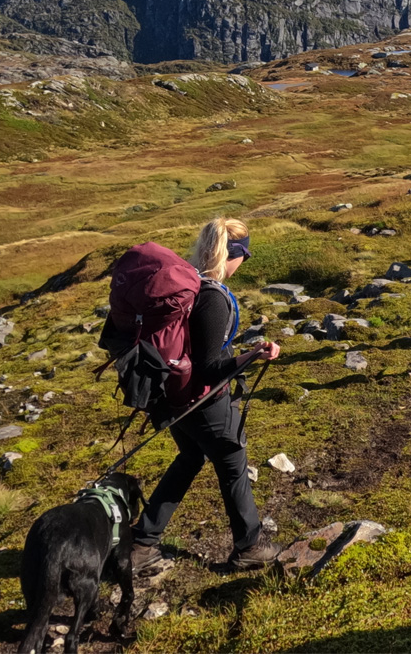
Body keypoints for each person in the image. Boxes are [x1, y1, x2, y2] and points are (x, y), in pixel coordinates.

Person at [128, 218, 282, 572]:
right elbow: (210, 368)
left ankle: (141, 542)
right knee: (232, 462)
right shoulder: (213, 298)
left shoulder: (187, 284)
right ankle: (249, 546)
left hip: (171, 393)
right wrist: (253, 356)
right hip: (200, 400)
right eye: (245, 255)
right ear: (234, 254)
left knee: (191, 458)